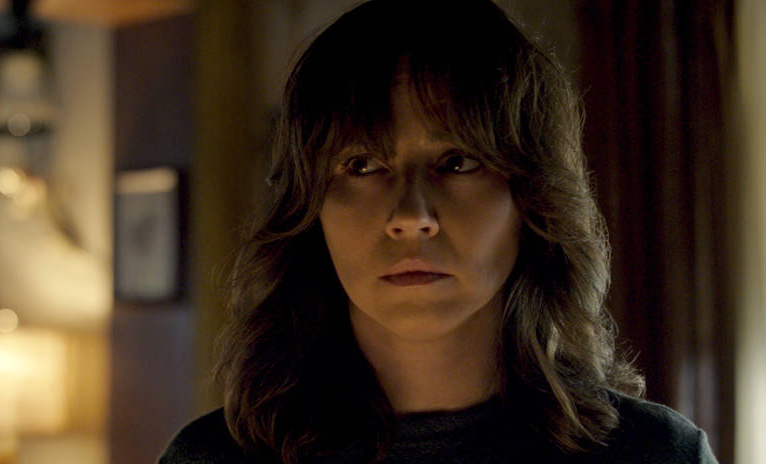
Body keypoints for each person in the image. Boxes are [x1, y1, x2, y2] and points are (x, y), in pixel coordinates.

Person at [160, 0, 718, 462]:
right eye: (362, 165)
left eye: (457, 162)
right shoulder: (213, 457)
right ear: (310, 208)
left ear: (531, 199)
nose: (411, 215)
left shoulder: (655, 454)